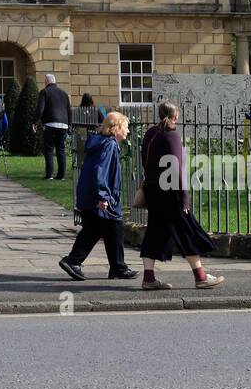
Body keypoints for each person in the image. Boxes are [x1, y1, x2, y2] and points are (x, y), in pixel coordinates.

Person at [139, 101, 223, 290]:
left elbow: (145, 159)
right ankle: (201, 277)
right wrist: (184, 197)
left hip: (152, 189)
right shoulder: (172, 136)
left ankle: (149, 278)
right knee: (187, 232)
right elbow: (177, 170)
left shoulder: (151, 133)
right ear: (175, 116)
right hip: (170, 192)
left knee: (154, 232)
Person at [59, 111, 136, 281]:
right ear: (116, 128)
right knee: (113, 226)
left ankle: (113, 266)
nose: (128, 131)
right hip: (99, 196)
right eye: (125, 127)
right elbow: (100, 171)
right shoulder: (108, 145)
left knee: (97, 229)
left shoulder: (101, 143)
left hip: (89, 194)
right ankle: (113, 267)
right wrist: (103, 196)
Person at [34, 73, 72, 181]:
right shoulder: (64, 93)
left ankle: (49, 174)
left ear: (46, 82)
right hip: (63, 125)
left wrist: (35, 122)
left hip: (50, 123)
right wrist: (69, 124)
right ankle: (61, 175)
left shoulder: (44, 92)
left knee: (49, 149)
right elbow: (69, 110)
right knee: (61, 149)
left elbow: (40, 108)